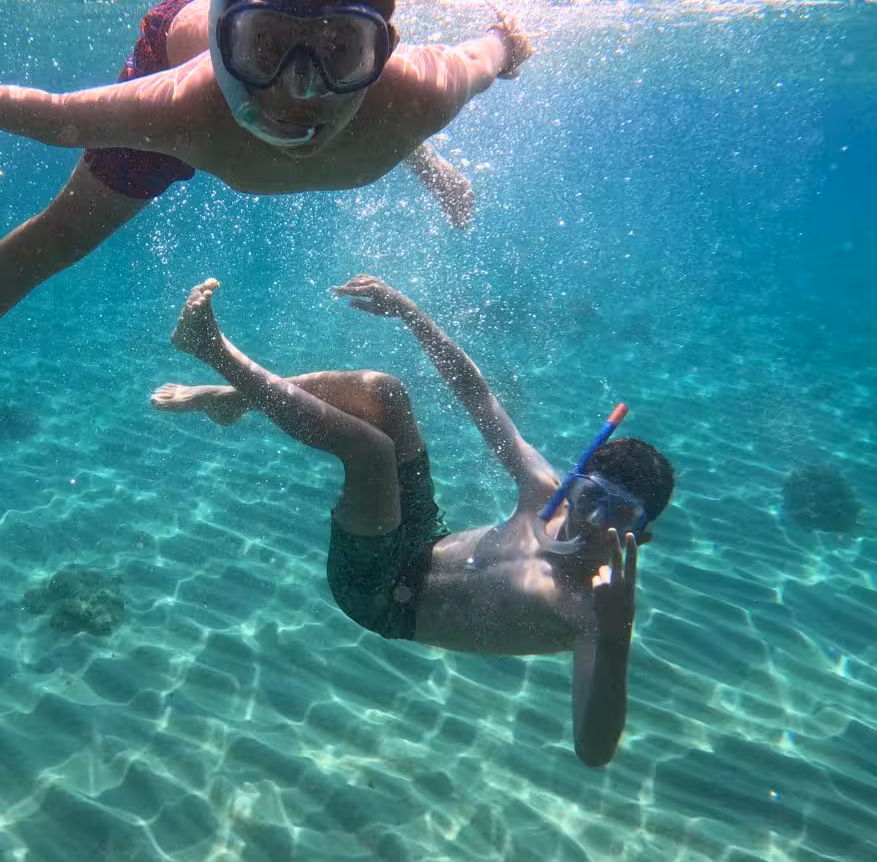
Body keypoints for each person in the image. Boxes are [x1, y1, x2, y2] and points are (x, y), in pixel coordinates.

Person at [0, 0, 531, 447]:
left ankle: (397, 135)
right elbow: (59, 117)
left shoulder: (417, 93)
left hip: (347, 93)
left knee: (371, 112)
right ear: (228, 47)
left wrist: (507, 44)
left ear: (381, 52)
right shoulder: (183, 107)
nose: (298, 90)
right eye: (265, 49)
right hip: (184, 43)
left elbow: (489, 53)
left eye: (340, 52)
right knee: (67, 233)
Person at [151, 275, 674, 766]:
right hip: (422, 539)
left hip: (380, 596)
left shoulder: (593, 613)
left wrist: (616, 634)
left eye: (621, 513)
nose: (595, 519)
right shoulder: (544, 493)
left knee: (370, 451)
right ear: (575, 479)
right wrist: (411, 313)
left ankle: (212, 350)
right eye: (592, 496)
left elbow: (594, 748)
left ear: (641, 535)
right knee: (384, 391)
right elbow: (478, 397)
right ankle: (234, 400)